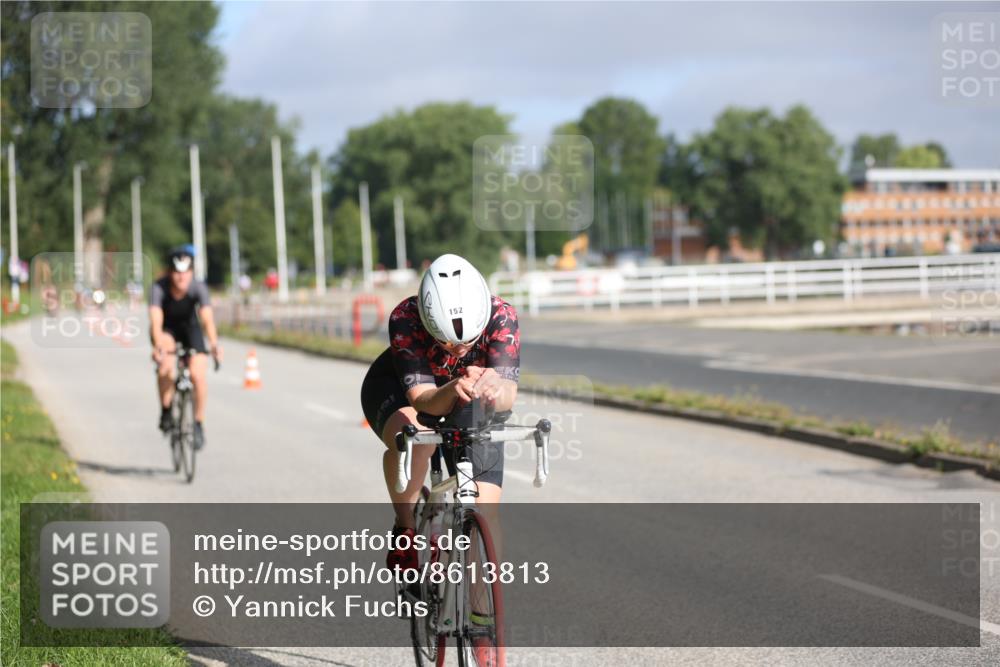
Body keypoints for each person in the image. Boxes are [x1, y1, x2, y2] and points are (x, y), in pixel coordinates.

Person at [361, 253, 520, 557]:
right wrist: (452, 388)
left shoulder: (502, 316)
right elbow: (423, 401)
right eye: (447, 342)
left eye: (469, 341)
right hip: (398, 388)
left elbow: (507, 396)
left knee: (485, 510)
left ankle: (480, 606)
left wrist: (494, 385)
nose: (460, 350)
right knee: (417, 439)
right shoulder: (405, 318)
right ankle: (405, 528)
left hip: (469, 394)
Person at [149, 245, 222, 449]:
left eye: (185, 273)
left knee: (198, 375)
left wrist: (214, 343)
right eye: (177, 273)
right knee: (166, 365)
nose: (181, 278)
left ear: (191, 273)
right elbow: (155, 321)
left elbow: (207, 319)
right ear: (170, 273)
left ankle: (198, 424)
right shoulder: (158, 288)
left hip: (191, 328)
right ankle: (165, 409)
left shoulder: (198, 288)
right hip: (167, 330)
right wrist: (158, 346)